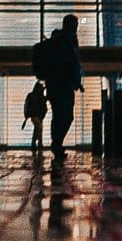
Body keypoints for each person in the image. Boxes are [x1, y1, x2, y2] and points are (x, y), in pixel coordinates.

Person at [33, 14, 83, 150]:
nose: (76, 28)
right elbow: (73, 63)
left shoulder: (68, 40)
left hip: (59, 85)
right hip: (61, 85)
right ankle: (57, 143)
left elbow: (74, 63)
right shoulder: (64, 41)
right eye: (75, 25)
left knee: (62, 115)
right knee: (63, 115)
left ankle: (57, 142)